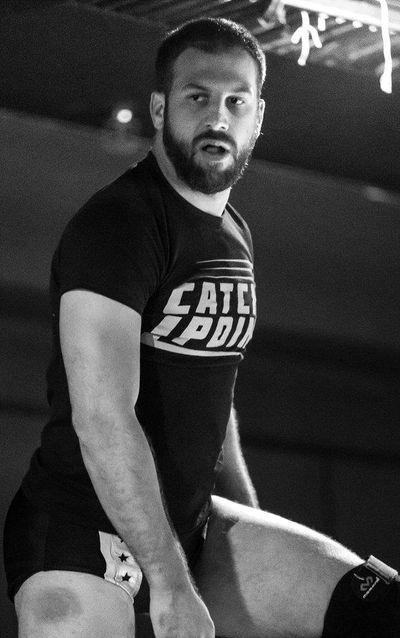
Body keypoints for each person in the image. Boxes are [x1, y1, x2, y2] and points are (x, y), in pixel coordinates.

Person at [4, 17, 400, 638]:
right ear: (160, 108)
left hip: (191, 524)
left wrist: (245, 520)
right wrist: (170, 582)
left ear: (258, 117)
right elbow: (103, 416)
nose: (218, 117)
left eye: (235, 101)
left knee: (378, 609)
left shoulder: (232, 233)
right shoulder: (120, 224)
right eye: (198, 97)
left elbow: (213, 390)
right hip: (82, 531)